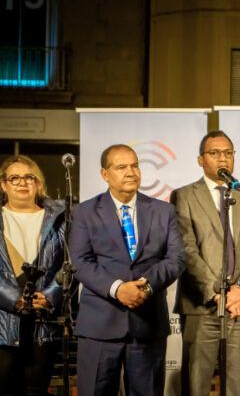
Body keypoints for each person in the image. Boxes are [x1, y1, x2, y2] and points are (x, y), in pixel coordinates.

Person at [69, 144, 185, 396]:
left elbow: (176, 258)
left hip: (148, 325)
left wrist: (146, 286)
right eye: (121, 167)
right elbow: (79, 261)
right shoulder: (85, 212)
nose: (131, 172)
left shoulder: (163, 211)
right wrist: (117, 289)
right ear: (105, 174)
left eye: (134, 166)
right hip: (99, 327)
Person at [171, 131, 240, 396]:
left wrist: (239, 290)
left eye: (228, 153)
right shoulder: (184, 196)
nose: (222, 158)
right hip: (201, 304)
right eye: (214, 153)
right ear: (201, 160)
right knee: (196, 384)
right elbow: (187, 249)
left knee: (237, 385)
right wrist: (217, 293)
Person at [0, 155, 65, 395]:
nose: (22, 183)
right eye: (14, 178)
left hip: (43, 325)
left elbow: (70, 265)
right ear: (3, 184)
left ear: (38, 183)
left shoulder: (59, 219)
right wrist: (12, 299)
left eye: (29, 177)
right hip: (2, 323)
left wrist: (49, 295)